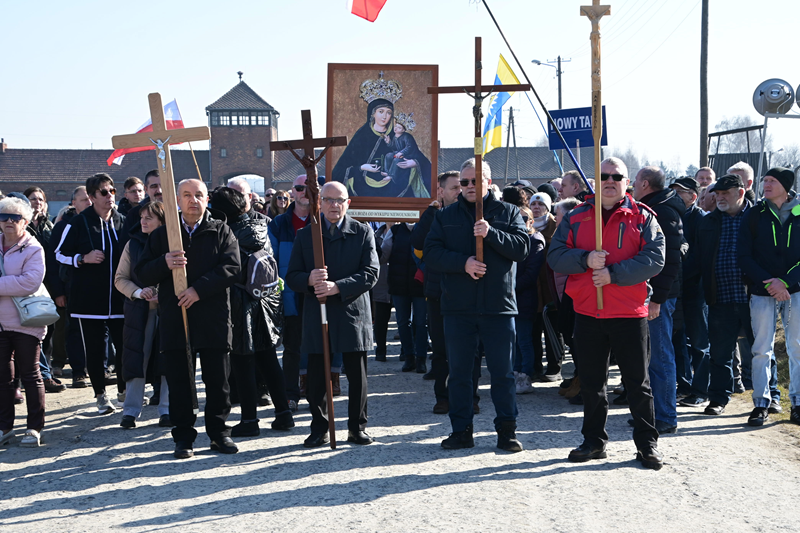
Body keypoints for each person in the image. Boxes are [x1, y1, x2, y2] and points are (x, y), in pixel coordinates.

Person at [548, 157, 666, 470]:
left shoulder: (643, 217)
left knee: (637, 384)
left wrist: (613, 274)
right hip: (588, 312)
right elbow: (555, 255)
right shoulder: (576, 217)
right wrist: (585, 259)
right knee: (591, 382)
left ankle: (647, 444)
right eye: (603, 176)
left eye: (617, 176)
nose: (610, 181)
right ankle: (593, 441)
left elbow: (655, 258)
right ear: (595, 182)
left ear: (627, 182)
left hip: (629, 313)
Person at [425, 158, 530, 453]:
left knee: (502, 373)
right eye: (464, 183)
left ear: (488, 181)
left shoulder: (508, 212)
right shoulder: (445, 216)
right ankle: (461, 430)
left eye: (475, 181)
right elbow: (431, 254)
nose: (469, 187)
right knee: (459, 373)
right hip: (458, 308)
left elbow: (522, 249)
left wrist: (490, 233)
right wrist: (463, 263)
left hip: (498, 307)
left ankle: (506, 431)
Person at [136, 179, 241, 459]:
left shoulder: (220, 230)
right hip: (176, 316)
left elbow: (232, 267)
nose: (193, 200)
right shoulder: (162, 236)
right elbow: (143, 272)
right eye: (186, 195)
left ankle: (219, 434)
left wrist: (198, 289)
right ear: (177, 201)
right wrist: (165, 263)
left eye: (198, 195)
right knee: (180, 379)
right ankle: (183, 437)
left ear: (207, 199)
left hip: (213, 315)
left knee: (217, 379)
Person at [286, 181, 379, 448]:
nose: (334, 205)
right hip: (318, 312)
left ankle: (357, 427)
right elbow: (292, 276)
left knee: (356, 374)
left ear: (348, 203)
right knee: (316, 374)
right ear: (320, 203)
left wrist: (337, 287)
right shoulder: (307, 235)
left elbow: (371, 273)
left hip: (351, 311)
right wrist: (309, 279)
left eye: (339, 200)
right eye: (328, 200)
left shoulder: (362, 232)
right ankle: (320, 427)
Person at [210, 187, 294, 436]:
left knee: (242, 361)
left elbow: (224, 270)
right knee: (269, 360)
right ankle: (284, 413)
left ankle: (249, 420)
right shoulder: (260, 227)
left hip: (238, 302)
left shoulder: (227, 233)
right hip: (264, 300)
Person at [697, 174, 779, 416]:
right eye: (717, 194)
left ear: (741, 193)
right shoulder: (709, 221)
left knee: (762, 350)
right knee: (720, 353)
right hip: (720, 295)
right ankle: (719, 398)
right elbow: (699, 257)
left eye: (726, 194)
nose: (720, 198)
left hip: (756, 297)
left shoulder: (761, 218)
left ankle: (771, 396)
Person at [411, 171, 482, 414]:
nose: (460, 191)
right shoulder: (434, 215)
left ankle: (470, 397)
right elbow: (418, 242)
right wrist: (431, 213)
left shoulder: (475, 212)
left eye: (461, 186)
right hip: (437, 291)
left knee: (470, 349)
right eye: (455, 187)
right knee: (441, 349)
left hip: (467, 290)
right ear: (441, 191)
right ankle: (443, 396)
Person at [54, 174, 126, 414]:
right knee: (95, 350)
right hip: (88, 299)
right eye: (104, 192)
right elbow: (58, 253)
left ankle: (124, 392)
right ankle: (100, 396)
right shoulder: (78, 222)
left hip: (119, 297)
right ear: (92, 197)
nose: (109, 196)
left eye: (112, 191)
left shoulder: (122, 221)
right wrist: (82, 258)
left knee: (124, 347)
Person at [738, 167, 800, 426]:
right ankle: (761, 403)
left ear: (786, 186)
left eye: (772, 181)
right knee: (761, 348)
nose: (767, 184)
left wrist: (785, 282)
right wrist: (771, 283)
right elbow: (744, 255)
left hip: (795, 290)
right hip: (762, 292)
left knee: (797, 347)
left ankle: (797, 403)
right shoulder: (754, 214)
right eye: (765, 180)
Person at [632, 166, 685, 435]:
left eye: (633, 181)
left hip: (659, 297)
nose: (630, 184)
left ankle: (665, 415)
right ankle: (650, 413)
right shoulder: (654, 206)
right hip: (650, 294)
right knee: (649, 356)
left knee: (661, 356)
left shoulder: (663, 211)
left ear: (644, 183)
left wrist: (658, 299)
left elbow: (671, 259)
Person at [114, 199, 171, 428]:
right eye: (141, 217)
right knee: (137, 358)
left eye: (149, 217)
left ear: (161, 220)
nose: (143, 221)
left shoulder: (173, 242)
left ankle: (167, 409)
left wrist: (165, 294)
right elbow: (119, 279)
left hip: (169, 310)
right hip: (139, 311)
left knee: (169, 358)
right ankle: (131, 410)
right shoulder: (133, 244)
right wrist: (138, 292)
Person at [0, 197, 48, 447]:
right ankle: (5, 427)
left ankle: (34, 427)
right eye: (3, 216)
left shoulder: (34, 248)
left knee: (30, 375)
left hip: (27, 321)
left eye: (14, 217)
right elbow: (19, 282)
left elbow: (30, 282)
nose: (8, 221)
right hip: (0, 324)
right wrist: (12, 283)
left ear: (26, 222)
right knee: (3, 379)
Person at [332, 82, 430, 198]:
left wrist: (414, 163)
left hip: (397, 190)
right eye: (381, 111)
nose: (385, 116)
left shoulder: (400, 135)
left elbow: (424, 162)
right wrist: (362, 168)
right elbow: (339, 171)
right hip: (363, 190)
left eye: (389, 113)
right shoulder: (361, 137)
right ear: (372, 114)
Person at [268, 175, 311, 412]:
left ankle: (316, 393)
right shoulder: (278, 224)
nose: (304, 192)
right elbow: (271, 261)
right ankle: (290, 394)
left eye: (308, 187)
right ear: (291, 192)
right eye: (299, 187)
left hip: (317, 292)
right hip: (290, 294)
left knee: (317, 347)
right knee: (292, 348)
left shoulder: (323, 220)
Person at [669, 177, 710, 408]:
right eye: (672, 191)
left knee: (699, 342)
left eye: (680, 192)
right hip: (676, 289)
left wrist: (679, 269)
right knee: (677, 341)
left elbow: (701, 256)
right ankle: (683, 386)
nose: (674, 195)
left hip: (696, 290)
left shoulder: (701, 219)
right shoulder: (672, 216)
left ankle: (701, 390)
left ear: (693, 197)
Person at [47, 186, 92, 381]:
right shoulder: (63, 226)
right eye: (83, 200)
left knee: (97, 331)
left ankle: (100, 367)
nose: (88, 203)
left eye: (90, 199)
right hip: (69, 288)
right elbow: (53, 261)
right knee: (72, 330)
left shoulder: (101, 224)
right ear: (74, 203)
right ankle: (78, 372)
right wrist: (58, 292)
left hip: (95, 289)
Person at [382, 220, 428, 373]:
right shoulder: (395, 231)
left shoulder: (427, 227)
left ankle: (421, 358)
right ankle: (409, 357)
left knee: (421, 323)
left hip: (420, 284)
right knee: (403, 322)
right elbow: (383, 256)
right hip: (399, 284)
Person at [513, 206, 546, 394]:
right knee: (515, 340)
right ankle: (516, 372)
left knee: (524, 339)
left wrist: (509, 286)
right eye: (517, 218)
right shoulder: (515, 239)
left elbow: (531, 274)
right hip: (512, 298)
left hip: (525, 298)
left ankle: (526, 375)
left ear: (531, 221)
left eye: (525, 218)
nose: (521, 221)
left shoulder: (535, 240)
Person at [529, 192, 560, 381]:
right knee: (533, 328)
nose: (536, 207)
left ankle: (554, 366)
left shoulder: (555, 228)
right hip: (532, 285)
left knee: (552, 328)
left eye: (540, 204)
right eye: (533, 203)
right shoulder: (527, 226)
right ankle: (535, 366)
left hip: (550, 285)